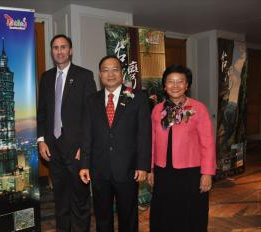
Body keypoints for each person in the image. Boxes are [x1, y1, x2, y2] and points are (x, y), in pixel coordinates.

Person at [79, 55, 152, 232]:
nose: (110, 74)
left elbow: (144, 134)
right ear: (99, 74)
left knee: (128, 217)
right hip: (99, 169)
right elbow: (87, 135)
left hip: (128, 169)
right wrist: (84, 165)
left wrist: (143, 166)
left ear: (121, 73)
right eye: (105, 70)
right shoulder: (91, 100)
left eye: (115, 69)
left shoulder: (138, 98)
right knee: (102, 218)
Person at [37, 34, 97, 231]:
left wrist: (85, 147)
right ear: (52, 51)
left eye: (63, 47)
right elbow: (42, 112)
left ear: (70, 51)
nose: (59, 51)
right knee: (60, 199)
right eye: (55, 47)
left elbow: (91, 115)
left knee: (80, 199)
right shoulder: (46, 77)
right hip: (53, 148)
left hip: (76, 149)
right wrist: (41, 140)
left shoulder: (84, 76)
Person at [148, 64, 216, 232]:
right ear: (164, 85)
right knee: (164, 212)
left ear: (187, 85)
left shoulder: (198, 109)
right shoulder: (158, 110)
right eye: (170, 81)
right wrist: (150, 168)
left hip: (191, 172)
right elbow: (152, 141)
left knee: (191, 213)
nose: (175, 86)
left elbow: (207, 143)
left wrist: (207, 173)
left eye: (180, 81)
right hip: (163, 171)